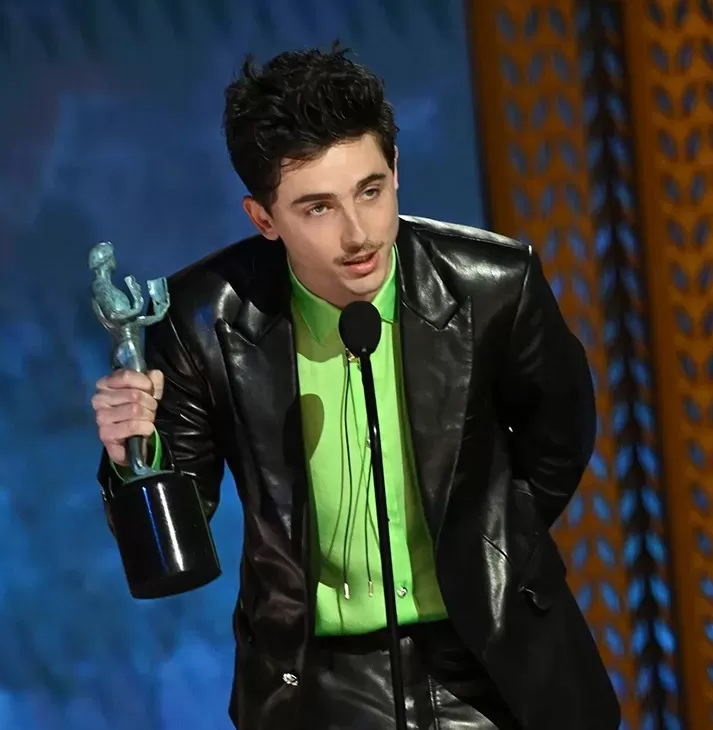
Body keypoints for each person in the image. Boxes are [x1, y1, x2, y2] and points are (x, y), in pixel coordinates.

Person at [90, 45, 620, 730]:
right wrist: (135, 459)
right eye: (317, 208)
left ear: (395, 170)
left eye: (371, 191)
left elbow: (560, 440)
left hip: (490, 660)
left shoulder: (494, 285)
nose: (358, 234)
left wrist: (487, 544)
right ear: (263, 218)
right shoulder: (202, 322)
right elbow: (179, 542)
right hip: (319, 681)